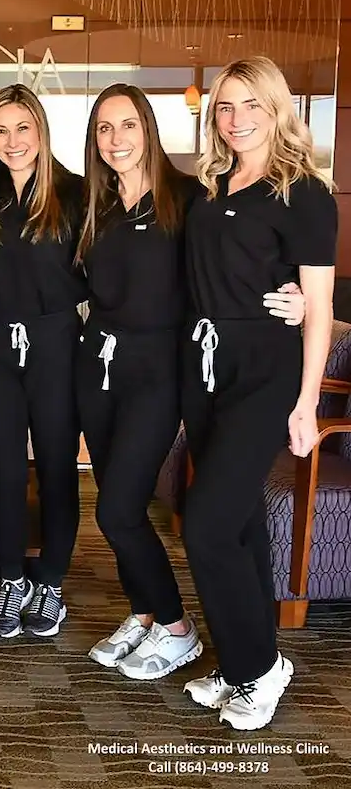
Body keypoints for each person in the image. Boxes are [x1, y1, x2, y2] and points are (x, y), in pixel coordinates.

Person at [75, 84, 305, 679]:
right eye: (104, 128)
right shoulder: (93, 203)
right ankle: (146, 612)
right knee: (114, 502)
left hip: (163, 371)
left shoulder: (189, 197)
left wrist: (297, 297)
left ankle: (177, 628)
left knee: (119, 511)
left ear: (148, 129)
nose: (117, 139)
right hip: (97, 367)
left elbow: (238, 258)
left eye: (128, 124)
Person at [180, 57, 335, 731]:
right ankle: (248, 656)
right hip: (203, 365)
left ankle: (258, 670)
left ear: (277, 111)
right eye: (225, 108)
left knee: (206, 524)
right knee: (238, 524)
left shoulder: (304, 192)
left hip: (264, 370)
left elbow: (321, 305)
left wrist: (306, 405)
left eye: (252, 106)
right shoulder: (209, 184)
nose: (238, 120)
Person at [0, 84, 85, 640]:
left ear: (41, 132)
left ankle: (51, 582)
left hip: (56, 344)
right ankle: (13, 580)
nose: (12, 142)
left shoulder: (76, 194)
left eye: (22, 129)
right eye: (1, 131)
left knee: (57, 467)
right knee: (4, 472)